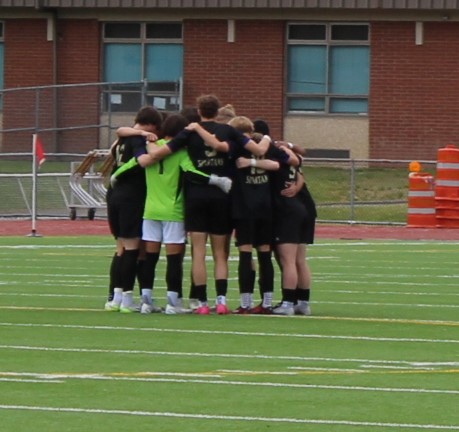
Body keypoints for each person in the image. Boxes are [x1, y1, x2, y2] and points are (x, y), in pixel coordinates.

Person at [147, 94, 271, 315]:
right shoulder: (229, 130)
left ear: (199, 111)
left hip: (196, 196)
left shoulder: (189, 132)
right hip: (222, 197)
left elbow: (159, 154)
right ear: (217, 110)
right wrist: (269, 139)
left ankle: (202, 303)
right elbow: (258, 150)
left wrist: (147, 141)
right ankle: (221, 301)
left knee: (198, 252)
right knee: (220, 253)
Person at [112, 113, 232, 314]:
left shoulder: (150, 146)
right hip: (173, 212)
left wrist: (115, 177)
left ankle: (146, 302)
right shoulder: (180, 152)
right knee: (174, 260)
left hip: (150, 211)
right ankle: (172, 303)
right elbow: (191, 173)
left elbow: (131, 165)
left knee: (150, 258)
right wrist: (216, 180)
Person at [231, 116, 300, 314]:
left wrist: (250, 161)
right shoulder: (266, 146)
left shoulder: (235, 147)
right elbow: (289, 161)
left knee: (246, 255)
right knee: (264, 256)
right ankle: (267, 303)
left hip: (244, 207)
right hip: (265, 207)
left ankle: (245, 303)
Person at [253, 119, 316, 316]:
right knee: (299, 260)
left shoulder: (272, 152)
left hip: (287, 210)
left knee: (287, 260)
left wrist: (250, 162)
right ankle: (302, 302)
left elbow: (275, 165)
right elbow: (298, 163)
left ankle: (288, 303)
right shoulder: (284, 150)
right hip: (301, 207)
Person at [104, 106, 162, 313]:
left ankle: (115, 297)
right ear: (152, 125)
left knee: (121, 248)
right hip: (131, 196)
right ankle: (126, 299)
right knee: (132, 248)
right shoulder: (138, 139)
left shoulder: (123, 138)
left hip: (114, 194)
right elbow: (142, 160)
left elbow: (118, 136)